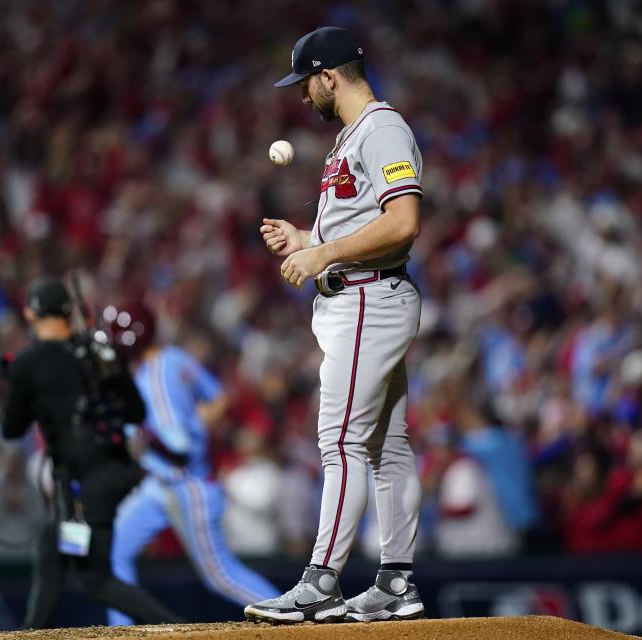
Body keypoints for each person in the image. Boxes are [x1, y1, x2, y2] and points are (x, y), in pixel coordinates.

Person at [245, 27, 425, 624]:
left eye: (306, 85)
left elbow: (403, 223)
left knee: (340, 442)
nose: (303, 98)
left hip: (368, 300)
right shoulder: (356, 135)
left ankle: (321, 580)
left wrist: (321, 256)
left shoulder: (382, 129)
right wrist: (307, 240)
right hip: (364, 295)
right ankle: (396, 581)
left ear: (329, 76)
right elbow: (364, 225)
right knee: (385, 448)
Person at [0, 277, 181, 628]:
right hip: (112, 474)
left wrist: (25, 390)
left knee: (95, 578)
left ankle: (175, 628)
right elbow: (136, 412)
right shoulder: (99, 350)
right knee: (52, 552)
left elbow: (12, 429)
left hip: (84, 485)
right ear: (69, 312)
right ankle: (30, 632)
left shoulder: (28, 362)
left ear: (30, 314)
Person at [103, 304, 280, 627]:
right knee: (114, 548)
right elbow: (218, 399)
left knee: (221, 575)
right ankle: (121, 630)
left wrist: (144, 437)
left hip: (187, 484)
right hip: (160, 485)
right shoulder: (175, 358)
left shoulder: (155, 378)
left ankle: (289, 622)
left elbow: (178, 448)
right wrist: (197, 425)